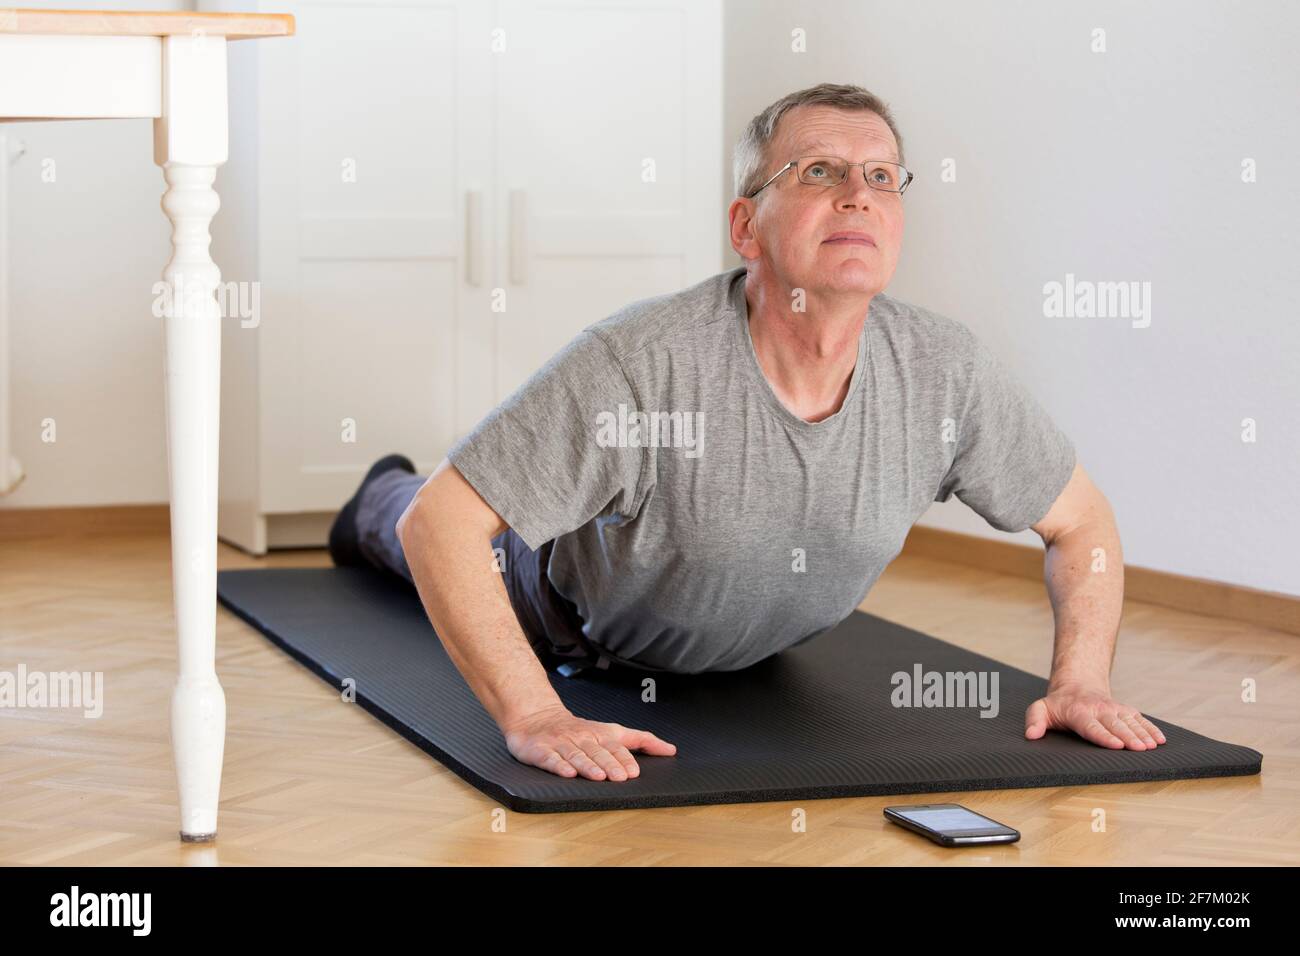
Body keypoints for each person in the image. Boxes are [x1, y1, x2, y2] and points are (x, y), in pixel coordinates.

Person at [329, 82, 1165, 785]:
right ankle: (372, 488)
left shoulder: (948, 372)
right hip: (563, 610)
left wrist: (1082, 682)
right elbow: (439, 524)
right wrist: (535, 714)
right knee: (409, 519)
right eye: (818, 172)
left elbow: (1081, 523)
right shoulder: (641, 362)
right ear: (744, 228)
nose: (858, 193)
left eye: (881, 175)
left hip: (752, 646)